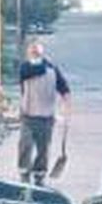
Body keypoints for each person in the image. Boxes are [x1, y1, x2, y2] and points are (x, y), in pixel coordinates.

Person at [17, 38, 72, 184]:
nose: (34, 53)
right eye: (32, 50)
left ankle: (39, 175)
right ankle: (24, 174)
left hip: (47, 117)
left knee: (43, 149)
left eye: (37, 50)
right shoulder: (25, 68)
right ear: (28, 53)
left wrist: (67, 108)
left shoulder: (53, 70)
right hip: (28, 115)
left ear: (42, 52)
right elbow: (33, 70)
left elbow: (64, 89)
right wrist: (45, 63)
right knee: (25, 144)